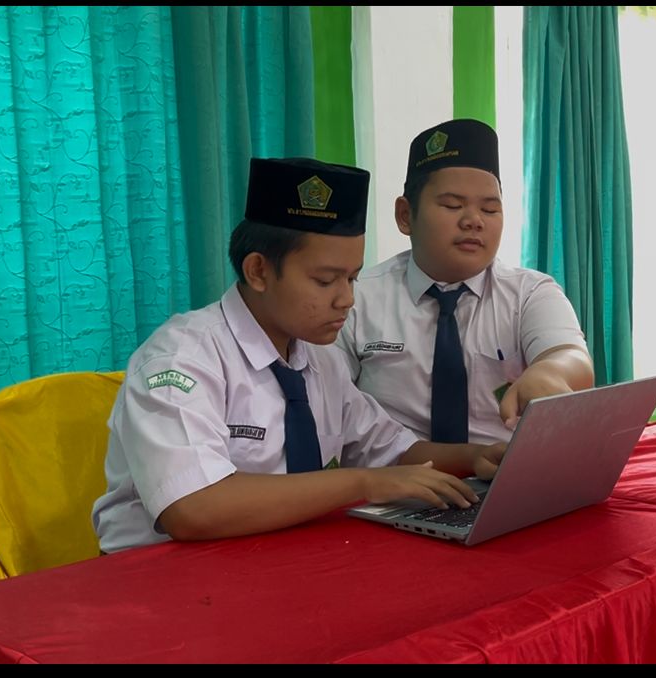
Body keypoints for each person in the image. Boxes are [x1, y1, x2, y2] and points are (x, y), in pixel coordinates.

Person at [92, 156, 505, 553]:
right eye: (325, 281)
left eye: (352, 278)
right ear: (258, 271)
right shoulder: (182, 358)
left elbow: (392, 449)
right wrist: (365, 483)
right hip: (161, 574)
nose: (346, 300)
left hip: (277, 557)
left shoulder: (318, 359)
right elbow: (192, 509)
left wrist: (476, 457)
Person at [335, 119, 594, 446]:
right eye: (452, 205)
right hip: (395, 472)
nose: (474, 221)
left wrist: (550, 371)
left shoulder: (529, 293)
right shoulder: (358, 297)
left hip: (503, 470)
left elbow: (571, 355)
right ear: (405, 215)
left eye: (490, 209)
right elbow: (329, 399)